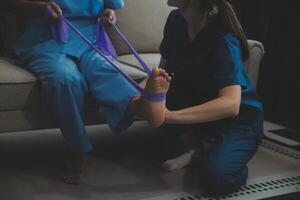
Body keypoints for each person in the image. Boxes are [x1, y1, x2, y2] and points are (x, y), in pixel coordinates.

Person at [10, 0, 171, 184]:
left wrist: (108, 13)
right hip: (46, 42)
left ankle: (139, 105)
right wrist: (40, 7)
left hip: (88, 41)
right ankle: (78, 149)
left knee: (107, 71)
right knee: (66, 79)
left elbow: (110, 5)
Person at [159, 0, 263, 195]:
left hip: (237, 122)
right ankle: (200, 149)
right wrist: (136, 94)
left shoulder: (223, 40)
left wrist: (170, 116)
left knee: (217, 179)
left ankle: (213, 153)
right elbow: (161, 73)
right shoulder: (175, 20)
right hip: (199, 105)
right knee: (156, 147)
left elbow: (231, 105)